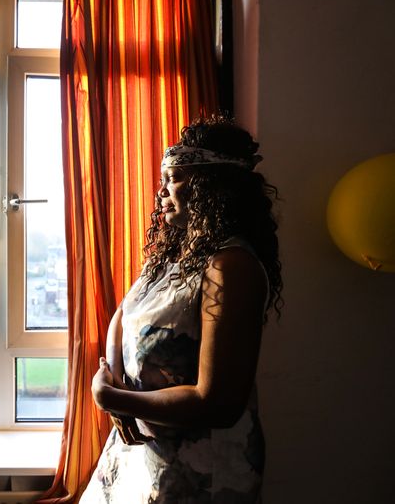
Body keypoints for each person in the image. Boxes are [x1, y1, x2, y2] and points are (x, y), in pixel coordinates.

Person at [80, 115, 282, 503]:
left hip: (200, 470)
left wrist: (112, 398)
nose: (161, 192)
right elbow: (123, 315)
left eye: (172, 178)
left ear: (210, 186)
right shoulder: (173, 258)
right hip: (143, 452)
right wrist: (114, 382)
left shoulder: (231, 267)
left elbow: (218, 403)